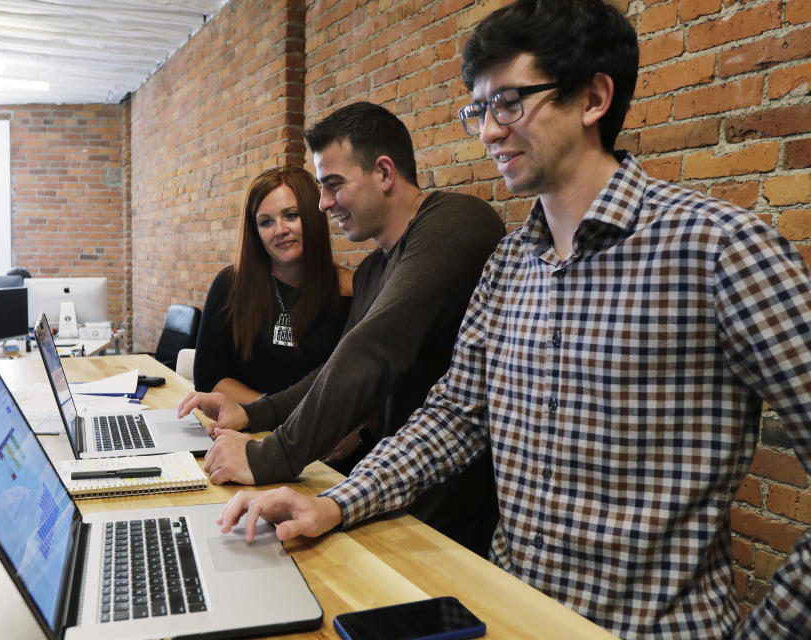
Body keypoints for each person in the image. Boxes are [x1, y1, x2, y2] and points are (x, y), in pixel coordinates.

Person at [214, 2, 811, 639]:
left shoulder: (719, 248)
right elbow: (455, 416)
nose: (490, 131)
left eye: (510, 103)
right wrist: (333, 502)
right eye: (479, 109)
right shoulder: (508, 265)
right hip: (499, 611)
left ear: (593, 98)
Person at [179, 101, 506, 555]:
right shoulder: (375, 269)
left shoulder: (455, 222)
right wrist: (255, 416)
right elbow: (337, 365)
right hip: (389, 492)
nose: (323, 204)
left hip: (451, 513)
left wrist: (267, 455)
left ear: (385, 173)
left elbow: (372, 354)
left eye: (334, 186)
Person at [193, 166, 352, 404]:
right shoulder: (230, 286)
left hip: (319, 436)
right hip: (244, 431)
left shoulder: (350, 290)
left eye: (291, 215)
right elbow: (209, 377)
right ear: (255, 232)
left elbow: (354, 388)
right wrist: (271, 414)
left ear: (312, 217)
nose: (280, 230)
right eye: (266, 222)